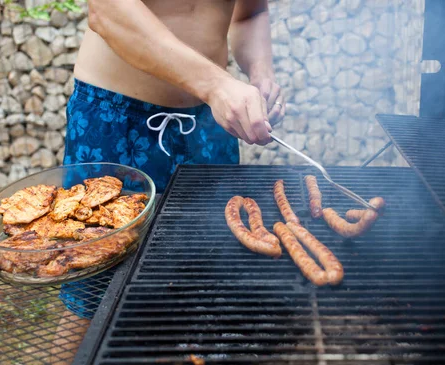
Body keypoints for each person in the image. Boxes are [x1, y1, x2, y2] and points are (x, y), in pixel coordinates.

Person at [50, 1, 285, 363]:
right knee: (92, 291)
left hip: (209, 126)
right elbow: (107, 10)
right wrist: (217, 83)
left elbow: (250, 12)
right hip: (115, 124)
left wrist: (260, 71)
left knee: (194, 289)